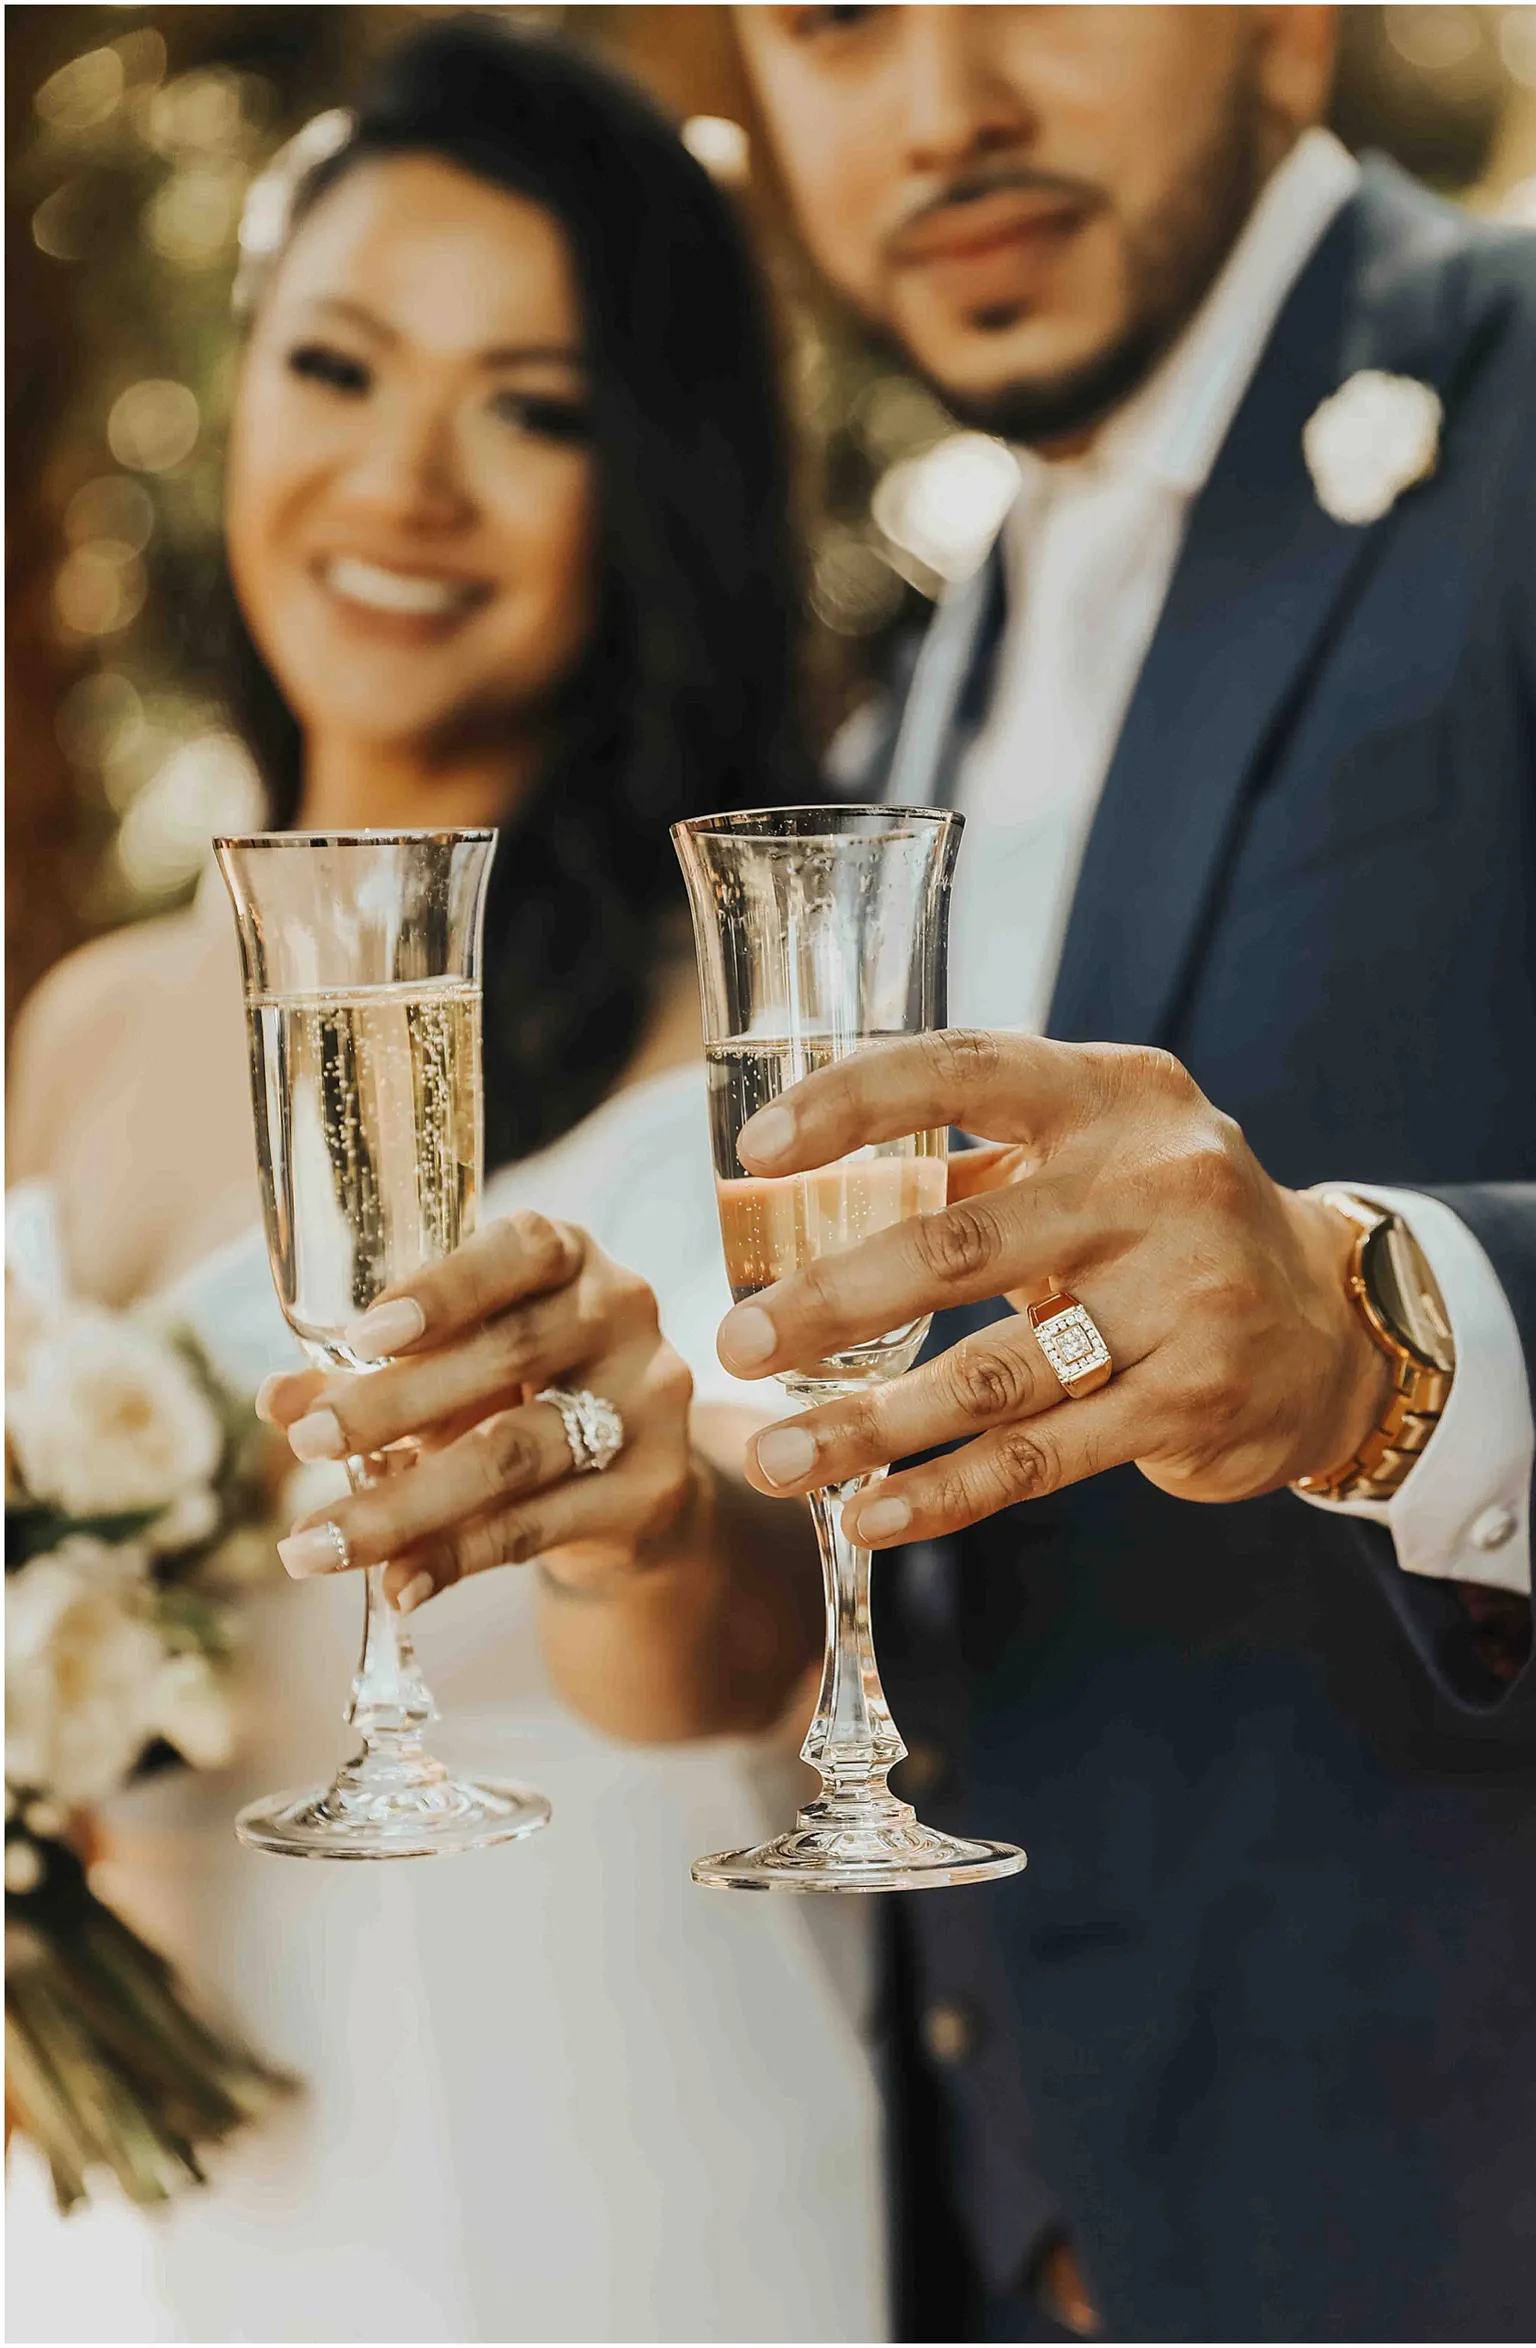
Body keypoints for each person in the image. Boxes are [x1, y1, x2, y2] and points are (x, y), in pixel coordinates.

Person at [262, 8, 1536, 2342]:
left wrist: (1381, 1336)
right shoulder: (918, 691)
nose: (945, 99)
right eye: (839, 18)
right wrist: (667, 1497)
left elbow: (1316, 1319)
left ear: (1286, 23)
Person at [7, 23, 884, 2344]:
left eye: (531, 405)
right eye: (339, 366)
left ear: (654, 479)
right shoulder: (86, 1025)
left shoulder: (765, 1017)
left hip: (622, 2168)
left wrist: (640, 1498)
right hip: (161, 2235)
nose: (404, 480)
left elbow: (758, 1639)